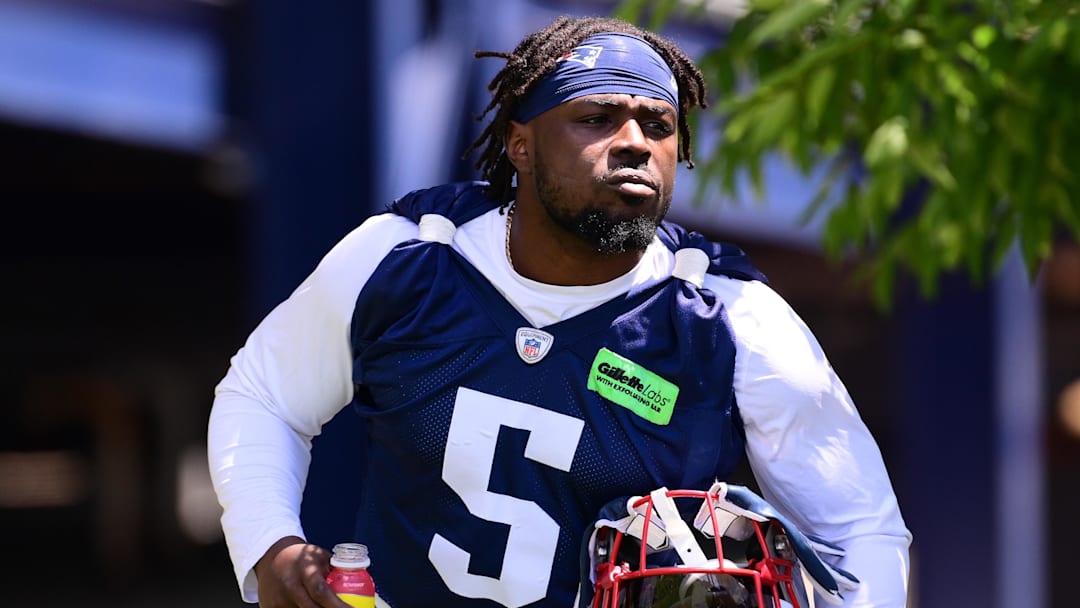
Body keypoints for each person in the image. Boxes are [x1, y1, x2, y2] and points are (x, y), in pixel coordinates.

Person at [208, 14, 911, 608]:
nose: (635, 142)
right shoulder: (407, 261)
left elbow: (862, 530)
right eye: (597, 118)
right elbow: (263, 395)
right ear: (520, 143)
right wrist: (270, 545)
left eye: (657, 124)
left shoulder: (730, 319)